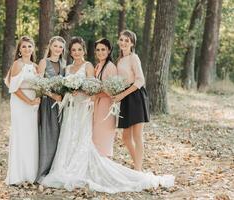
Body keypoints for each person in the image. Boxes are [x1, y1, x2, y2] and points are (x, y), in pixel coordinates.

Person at [39, 37, 174, 193]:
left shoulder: (91, 65)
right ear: (69, 52)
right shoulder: (71, 68)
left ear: (84, 50)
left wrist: (82, 90)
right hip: (72, 107)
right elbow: (90, 86)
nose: (76, 52)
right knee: (70, 136)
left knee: (93, 138)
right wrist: (69, 90)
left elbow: (93, 87)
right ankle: (67, 165)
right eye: (74, 50)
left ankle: (131, 169)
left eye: (79, 49)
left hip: (87, 107)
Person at [4, 36, 41, 185]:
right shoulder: (17, 64)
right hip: (20, 103)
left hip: (33, 103)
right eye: (24, 46)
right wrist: (30, 101)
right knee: (20, 135)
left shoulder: (36, 66)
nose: (27, 49)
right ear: (19, 49)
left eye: (29, 46)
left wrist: (36, 99)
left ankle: (30, 173)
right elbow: (14, 89)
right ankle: (17, 175)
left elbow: (40, 85)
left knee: (31, 136)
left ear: (33, 49)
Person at [113, 30, 150, 171]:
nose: (123, 43)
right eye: (121, 39)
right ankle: (138, 165)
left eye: (126, 41)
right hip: (125, 97)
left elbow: (140, 80)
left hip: (136, 96)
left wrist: (122, 95)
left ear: (132, 43)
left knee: (137, 135)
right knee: (126, 137)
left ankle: (138, 169)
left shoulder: (134, 57)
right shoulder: (119, 60)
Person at [36, 36, 66, 181]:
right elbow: (39, 83)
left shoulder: (64, 64)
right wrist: (52, 95)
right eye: (55, 46)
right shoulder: (44, 62)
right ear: (50, 46)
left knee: (58, 137)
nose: (58, 49)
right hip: (47, 103)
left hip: (60, 105)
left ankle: (55, 170)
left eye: (60, 47)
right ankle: (43, 171)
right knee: (47, 136)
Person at [93, 38, 117, 157]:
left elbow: (112, 91)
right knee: (96, 137)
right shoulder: (98, 66)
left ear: (109, 51)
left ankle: (105, 167)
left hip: (106, 107)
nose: (100, 52)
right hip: (97, 105)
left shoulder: (110, 67)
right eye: (98, 50)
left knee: (103, 138)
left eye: (103, 49)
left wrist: (94, 94)